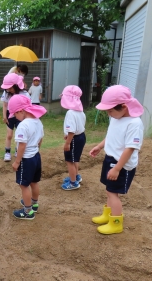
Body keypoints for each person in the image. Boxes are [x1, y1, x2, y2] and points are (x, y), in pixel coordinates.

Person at [89, 85, 144, 235]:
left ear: (124, 107)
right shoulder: (116, 118)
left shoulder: (134, 124)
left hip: (122, 165)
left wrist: (117, 168)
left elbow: (130, 148)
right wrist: (100, 146)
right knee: (109, 190)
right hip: (110, 159)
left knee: (113, 193)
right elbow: (111, 135)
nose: (108, 113)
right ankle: (108, 215)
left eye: (111, 110)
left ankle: (116, 222)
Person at [8, 94, 47, 220]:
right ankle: (34, 204)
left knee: (24, 185)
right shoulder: (38, 121)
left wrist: (17, 162)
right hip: (36, 157)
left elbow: (22, 146)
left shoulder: (23, 125)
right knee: (34, 182)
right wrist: (36, 150)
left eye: (15, 114)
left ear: (20, 111)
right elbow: (40, 139)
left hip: (26, 159)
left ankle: (27, 212)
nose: (15, 117)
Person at [60, 85, 86, 191]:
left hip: (74, 139)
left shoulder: (70, 113)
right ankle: (76, 176)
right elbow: (77, 126)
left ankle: (72, 183)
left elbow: (72, 130)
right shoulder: (80, 111)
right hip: (81, 137)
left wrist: (67, 142)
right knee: (75, 159)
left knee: (70, 160)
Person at [1, 73, 31, 162]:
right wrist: (4, 116)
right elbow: (5, 105)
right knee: (9, 135)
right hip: (10, 115)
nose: (9, 90)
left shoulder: (24, 93)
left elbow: (28, 106)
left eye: (11, 88)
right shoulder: (6, 92)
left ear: (16, 85)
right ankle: (7, 152)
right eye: (7, 88)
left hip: (20, 116)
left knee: (19, 135)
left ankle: (18, 151)